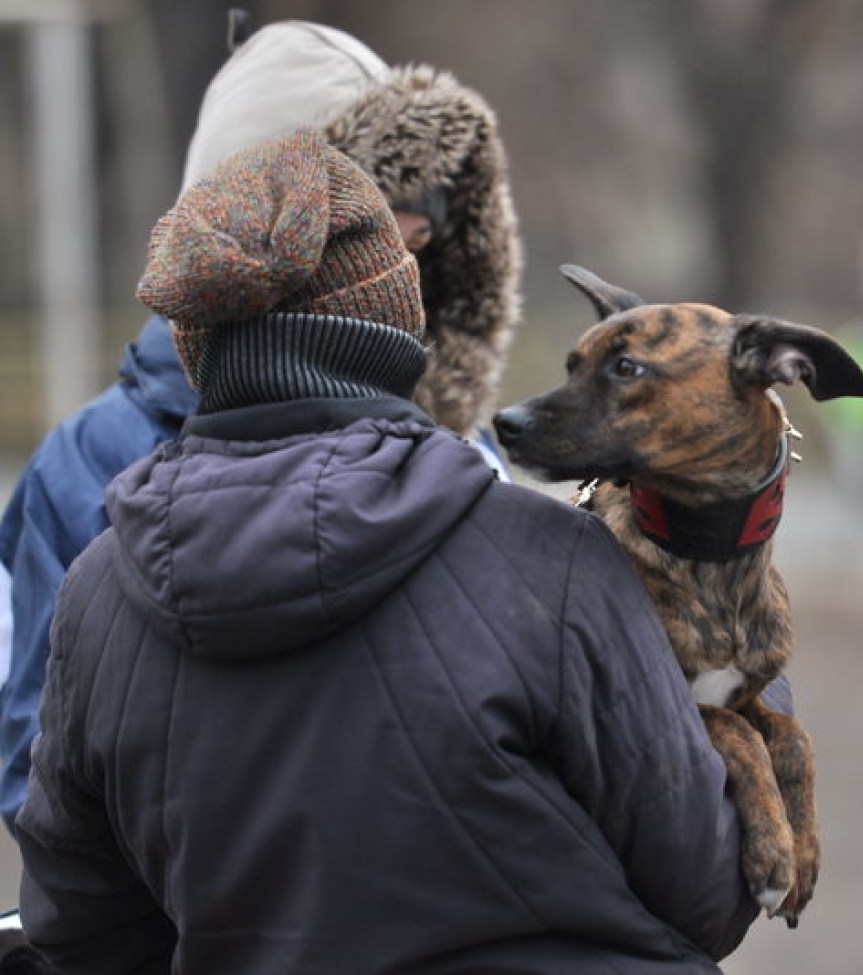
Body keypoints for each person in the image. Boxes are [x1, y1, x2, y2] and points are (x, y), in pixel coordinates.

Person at [14, 130, 762, 974]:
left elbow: (76, 923)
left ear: (198, 344)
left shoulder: (98, 593)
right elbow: (705, 893)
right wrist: (732, 602)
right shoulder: (549, 558)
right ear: (396, 326)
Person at [0, 16, 520, 832]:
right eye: (369, 239)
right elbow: (36, 765)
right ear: (253, 238)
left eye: (418, 247)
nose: (400, 280)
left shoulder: (464, 452)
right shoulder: (87, 462)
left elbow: (534, 712)